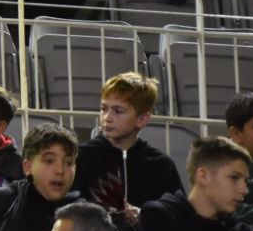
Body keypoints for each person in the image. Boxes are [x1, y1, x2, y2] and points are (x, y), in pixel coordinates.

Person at [72, 73, 184, 221]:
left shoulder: (161, 165)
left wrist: (143, 215)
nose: (107, 118)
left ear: (142, 119)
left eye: (118, 111)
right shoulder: (82, 157)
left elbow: (177, 212)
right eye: (104, 109)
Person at [132, 137, 253, 231]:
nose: (245, 189)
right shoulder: (159, 217)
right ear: (203, 176)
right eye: (234, 177)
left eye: (245, 181)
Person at [0, 126, 86, 231]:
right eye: (49, 161)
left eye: (68, 162)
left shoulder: (86, 216)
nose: (60, 170)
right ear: (27, 167)